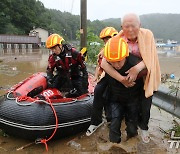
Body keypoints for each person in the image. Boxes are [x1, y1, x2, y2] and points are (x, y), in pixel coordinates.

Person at [101, 13, 161, 143]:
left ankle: (143, 128)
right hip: (124, 79)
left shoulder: (147, 35)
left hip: (143, 77)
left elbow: (151, 57)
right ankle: (102, 123)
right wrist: (121, 79)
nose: (130, 29)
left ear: (139, 25)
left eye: (133, 26)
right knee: (101, 90)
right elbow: (105, 62)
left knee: (145, 106)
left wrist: (136, 69)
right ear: (122, 27)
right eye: (126, 26)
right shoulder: (119, 38)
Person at [103, 36, 147, 143]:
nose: (116, 65)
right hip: (116, 99)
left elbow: (150, 69)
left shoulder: (135, 63)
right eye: (112, 62)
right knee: (114, 123)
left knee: (132, 127)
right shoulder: (106, 64)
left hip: (133, 100)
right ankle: (114, 146)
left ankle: (131, 144)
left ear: (125, 55)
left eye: (119, 61)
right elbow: (101, 65)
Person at [86, 27, 118, 136]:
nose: (106, 42)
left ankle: (114, 120)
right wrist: (96, 77)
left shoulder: (121, 47)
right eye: (105, 40)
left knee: (113, 97)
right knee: (99, 91)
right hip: (106, 76)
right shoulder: (102, 51)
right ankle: (96, 121)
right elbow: (99, 66)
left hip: (118, 77)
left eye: (108, 39)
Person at [46, 33, 88, 98]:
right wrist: (49, 79)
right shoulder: (53, 58)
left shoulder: (74, 53)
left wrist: (85, 81)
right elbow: (49, 70)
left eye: (55, 48)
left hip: (75, 75)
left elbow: (83, 67)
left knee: (82, 91)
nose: (54, 51)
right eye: (52, 49)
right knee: (52, 86)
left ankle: (71, 94)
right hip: (62, 76)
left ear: (60, 45)